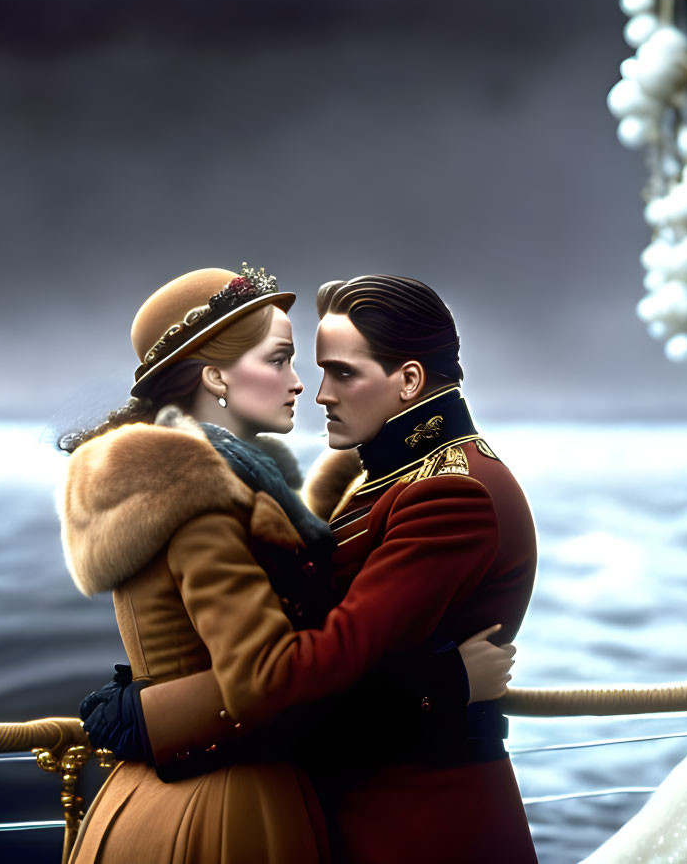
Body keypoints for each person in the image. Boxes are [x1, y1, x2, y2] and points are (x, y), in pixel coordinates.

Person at [59, 266, 509, 864]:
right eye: (279, 361)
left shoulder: (210, 486)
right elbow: (269, 678)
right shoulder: (198, 503)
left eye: (319, 367)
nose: (305, 387)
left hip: (181, 794)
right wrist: (446, 685)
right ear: (216, 376)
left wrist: (138, 707)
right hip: (222, 809)